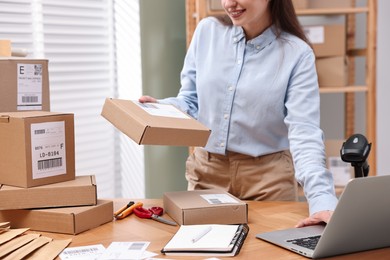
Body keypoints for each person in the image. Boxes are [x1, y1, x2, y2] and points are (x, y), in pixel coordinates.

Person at [139, 0, 338, 227]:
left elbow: (304, 132)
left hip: (267, 180)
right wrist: (162, 108)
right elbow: (192, 101)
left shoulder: (297, 54)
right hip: (207, 172)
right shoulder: (207, 32)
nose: (228, 3)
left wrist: (322, 201)